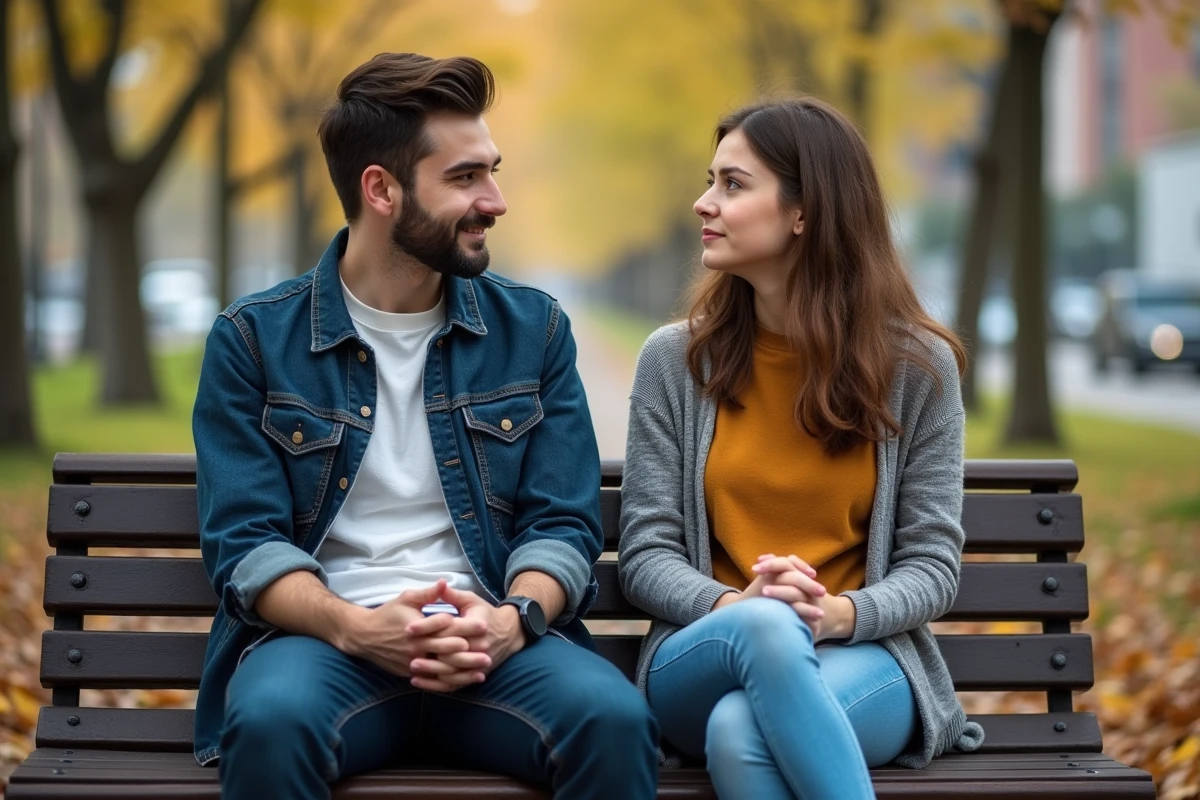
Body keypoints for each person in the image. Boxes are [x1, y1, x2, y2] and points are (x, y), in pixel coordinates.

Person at [192, 52, 658, 800]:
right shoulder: (253, 340)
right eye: (466, 177)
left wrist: (511, 620)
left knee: (612, 719)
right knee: (272, 723)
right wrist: (354, 627)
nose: (496, 200)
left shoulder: (533, 330)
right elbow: (246, 543)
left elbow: (562, 523)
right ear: (381, 188)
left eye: (493, 171)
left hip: (496, 648)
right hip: (325, 647)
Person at [618, 97, 985, 800]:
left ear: (803, 212)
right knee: (762, 635)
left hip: (863, 657)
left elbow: (933, 567)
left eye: (733, 184)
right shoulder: (675, 361)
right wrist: (741, 606)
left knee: (740, 731)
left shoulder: (917, 370)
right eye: (710, 179)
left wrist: (836, 615)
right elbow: (646, 555)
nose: (704, 202)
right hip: (706, 647)